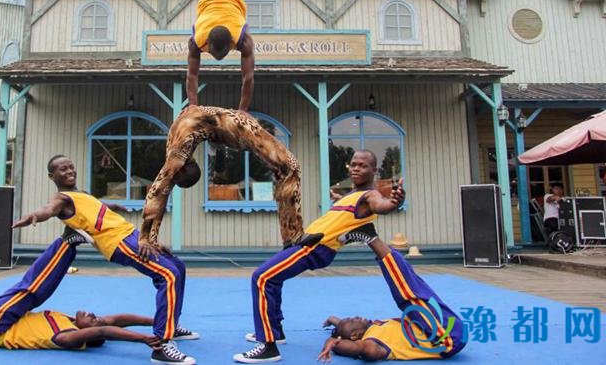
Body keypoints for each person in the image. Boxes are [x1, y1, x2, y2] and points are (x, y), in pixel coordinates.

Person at [12, 155, 199, 365]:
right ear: (51, 176)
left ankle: (171, 324)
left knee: (178, 267)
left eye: (71, 167)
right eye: (63, 169)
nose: (70, 171)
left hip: (132, 235)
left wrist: (112, 206)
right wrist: (35, 216)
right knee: (168, 275)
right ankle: (162, 344)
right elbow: (48, 209)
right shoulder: (61, 199)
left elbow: (93, 206)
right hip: (119, 242)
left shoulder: (81, 194)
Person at [233, 150, 405, 363]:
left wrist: (394, 202)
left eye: (363, 165)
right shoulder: (353, 195)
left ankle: (268, 347)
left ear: (374, 170)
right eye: (353, 164)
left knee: (262, 277)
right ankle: (275, 331)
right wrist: (339, 199)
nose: (356, 169)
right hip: (308, 244)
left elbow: (381, 205)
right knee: (273, 279)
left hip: (315, 248)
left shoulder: (370, 195)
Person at [139, 105, 315, 260]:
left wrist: (145, 238)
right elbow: (162, 192)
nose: (171, 182)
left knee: (290, 167)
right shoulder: (175, 140)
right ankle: (291, 237)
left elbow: (158, 192)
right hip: (233, 122)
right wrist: (151, 240)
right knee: (288, 169)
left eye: (174, 179)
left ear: (181, 171)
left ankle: (292, 236)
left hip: (240, 128)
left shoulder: (177, 157)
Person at [0, 232, 163, 352]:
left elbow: (103, 330)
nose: (92, 314)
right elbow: (115, 320)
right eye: (95, 317)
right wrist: (160, 322)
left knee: (31, 290)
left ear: (88, 331)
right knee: (44, 288)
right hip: (9, 319)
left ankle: (66, 241)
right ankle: (69, 243)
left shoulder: (66, 336)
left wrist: (145, 339)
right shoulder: (72, 321)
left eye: (92, 320)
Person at [317, 228, 466, 362]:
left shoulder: (372, 327)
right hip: (445, 338)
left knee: (413, 283)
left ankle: (371, 238)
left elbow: (345, 328)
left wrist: (334, 320)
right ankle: (370, 238)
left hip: (441, 328)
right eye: (351, 320)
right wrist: (334, 343)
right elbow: (362, 349)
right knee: (407, 292)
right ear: (355, 336)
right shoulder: (373, 341)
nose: (355, 316)